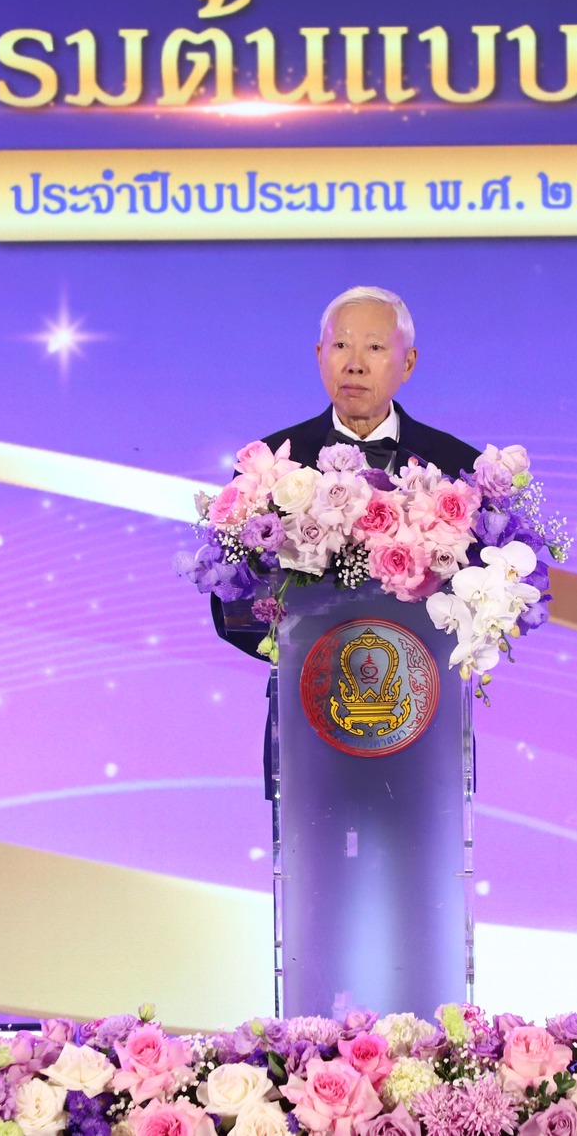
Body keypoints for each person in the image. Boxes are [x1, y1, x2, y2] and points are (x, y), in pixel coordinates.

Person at [208, 286, 483, 797]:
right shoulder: (269, 465)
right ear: (319, 355)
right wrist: (314, 653)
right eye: (340, 346)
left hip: (426, 729)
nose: (354, 363)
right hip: (308, 726)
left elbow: (483, 605)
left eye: (375, 347)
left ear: (408, 363)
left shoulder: (457, 467)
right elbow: (232, 603)